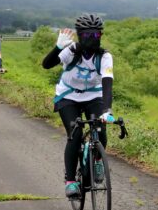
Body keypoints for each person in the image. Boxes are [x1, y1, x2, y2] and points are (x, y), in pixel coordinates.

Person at [41, 14, 115, 198]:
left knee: (101, 130)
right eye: (88, 35)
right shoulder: (71, 51)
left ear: (100, 36)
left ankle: (97, 160)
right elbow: (46, 65)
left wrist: (107, 110)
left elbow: (107, 84)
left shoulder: (104, 56)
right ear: (80, 35)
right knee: (74, 134)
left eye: (96, 35)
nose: (92, 39)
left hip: (94, 96)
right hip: (68, 96)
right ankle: (71, 180)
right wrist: (58, 47)